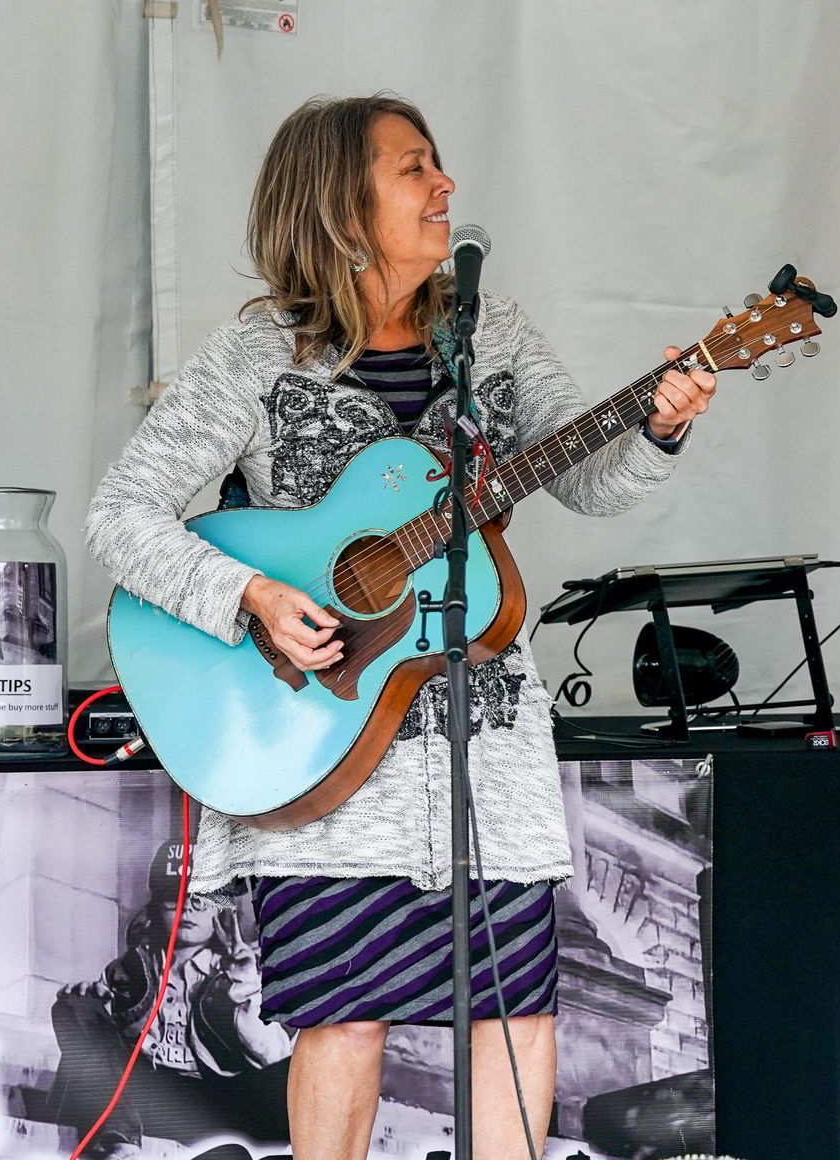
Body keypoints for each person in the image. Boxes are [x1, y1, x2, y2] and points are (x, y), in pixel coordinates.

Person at [85, 93, 717, 1160]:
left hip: (491, 758)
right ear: (340, 204)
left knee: (517, 1015)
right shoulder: (257, 356)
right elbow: (122, 511)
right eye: (414, 168)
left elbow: (595, 480)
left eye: (440, 165)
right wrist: (254, 595)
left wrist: (656, 424)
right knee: (342, 1018)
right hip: (321, 754)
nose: (445, 186)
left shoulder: (491, 333)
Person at [49, 841, 293, 1157]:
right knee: (74, 1007)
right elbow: (101, 1047)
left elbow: (273, 1055)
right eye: (172, 899)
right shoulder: (129, 969)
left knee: (299, 1064)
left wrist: (245, 989)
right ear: (153, 909)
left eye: (201, 900)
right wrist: (89, 1001)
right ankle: (118, 1142)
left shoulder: (241, 970)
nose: (187, 907)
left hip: (218, 1106)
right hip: (149, 1101)